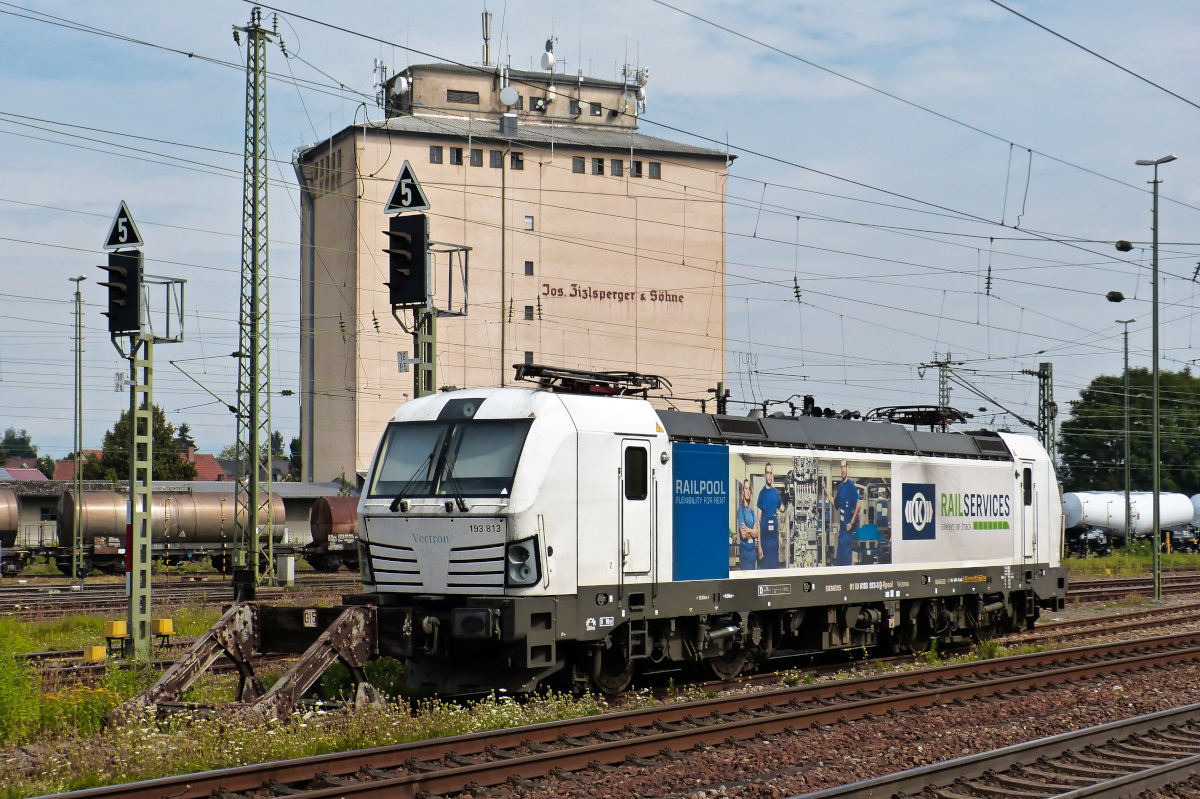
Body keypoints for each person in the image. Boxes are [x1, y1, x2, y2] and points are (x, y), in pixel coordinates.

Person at [826, 458, 862, 567]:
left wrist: (851, 522)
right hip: (841, 533)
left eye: (844, 467)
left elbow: (859, 504)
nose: (843, 469)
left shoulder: (850, 485)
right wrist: (825, 490)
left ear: (847, 468)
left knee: (846, 564)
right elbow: (835, 503)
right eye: (841, 467)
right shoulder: (841, 487)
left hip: (847, 532)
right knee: (839, 563)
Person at [756, 463, 785, 568]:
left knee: (774, 573)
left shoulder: (775, 493)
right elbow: (758, 522)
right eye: (767, 473)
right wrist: (759, 546)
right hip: (765, 542)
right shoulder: (761, 494)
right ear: (765, 475)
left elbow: (782, 508)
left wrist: (786, 499)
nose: (769, 475)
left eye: (771, 473)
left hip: (774, 542)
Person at [736, 479, 762, 569]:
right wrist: (753, 532)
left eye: (749, 489)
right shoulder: (741, 509)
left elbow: (758, 532)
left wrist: (749, 530)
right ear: (743, 491)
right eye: (746, 489)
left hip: (752, 553)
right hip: (745, 553)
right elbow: (743, 535)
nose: (748, 491)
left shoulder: (752, 510)